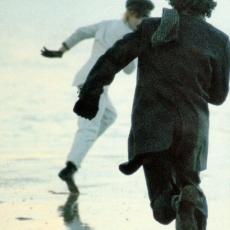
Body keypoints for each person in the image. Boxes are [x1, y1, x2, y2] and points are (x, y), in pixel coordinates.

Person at [73, 0, 230, 229]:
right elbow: (218, 96)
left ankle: (176, 201)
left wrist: (90, 95)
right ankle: (186, 203)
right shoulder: (219, 39)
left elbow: (113, 58)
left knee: (162, 207)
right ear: (208, 5)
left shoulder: (152, 28)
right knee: (192, 188)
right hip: (192, 130)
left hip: (153, 126)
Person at [41, 0, 155, 194]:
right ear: (128, 14)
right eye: (137, 16)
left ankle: (79, 152)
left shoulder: (107, 24)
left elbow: (81, 32)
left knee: (109, 116)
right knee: (89, 128)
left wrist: (61, 51)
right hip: (94, 84)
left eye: (144, 17)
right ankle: (70, 167)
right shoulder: (129, 35)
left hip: (88, 80)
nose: (140, 21)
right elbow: (128, 70)